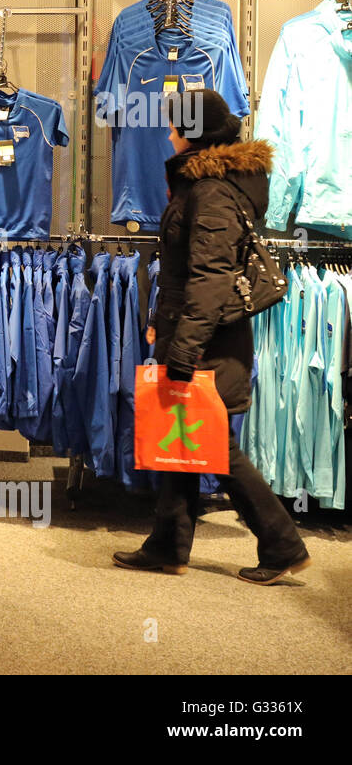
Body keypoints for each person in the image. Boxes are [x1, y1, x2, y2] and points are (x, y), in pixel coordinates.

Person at [114, 88, 311, 586]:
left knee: (215, 448)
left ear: (194, 133)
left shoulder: (212, 191)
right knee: (182, 438)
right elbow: (183, 273)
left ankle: (283, 543)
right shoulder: (203, 185)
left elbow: (211, 276)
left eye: (177, 126)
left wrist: (183, 348)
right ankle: (167, 545)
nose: (169, 134)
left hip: (209, 342)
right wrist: (163, 322)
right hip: (197, 333)